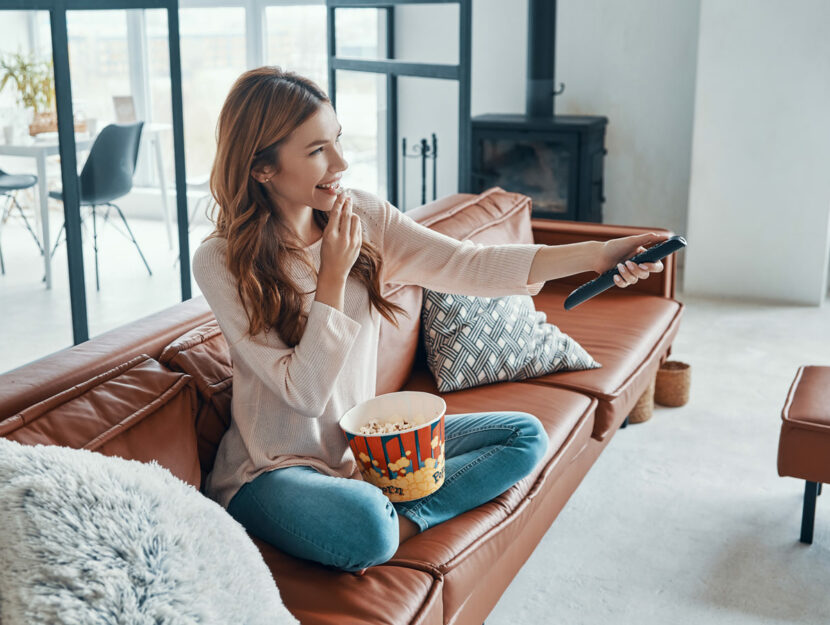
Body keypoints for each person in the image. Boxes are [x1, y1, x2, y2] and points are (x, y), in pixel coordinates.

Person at [192, 66, 666, 573]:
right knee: (369, 528)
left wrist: (596, 254)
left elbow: (469, 263)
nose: (341, 162)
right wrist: (332, 278)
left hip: (361, 450)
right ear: (262, 168)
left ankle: (399, 514)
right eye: (316, 151)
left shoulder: (364, 217)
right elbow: (303, 394)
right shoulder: (222, 261)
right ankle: (382, 515)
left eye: (337, 141)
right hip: (273, 471)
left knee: (525, 436)